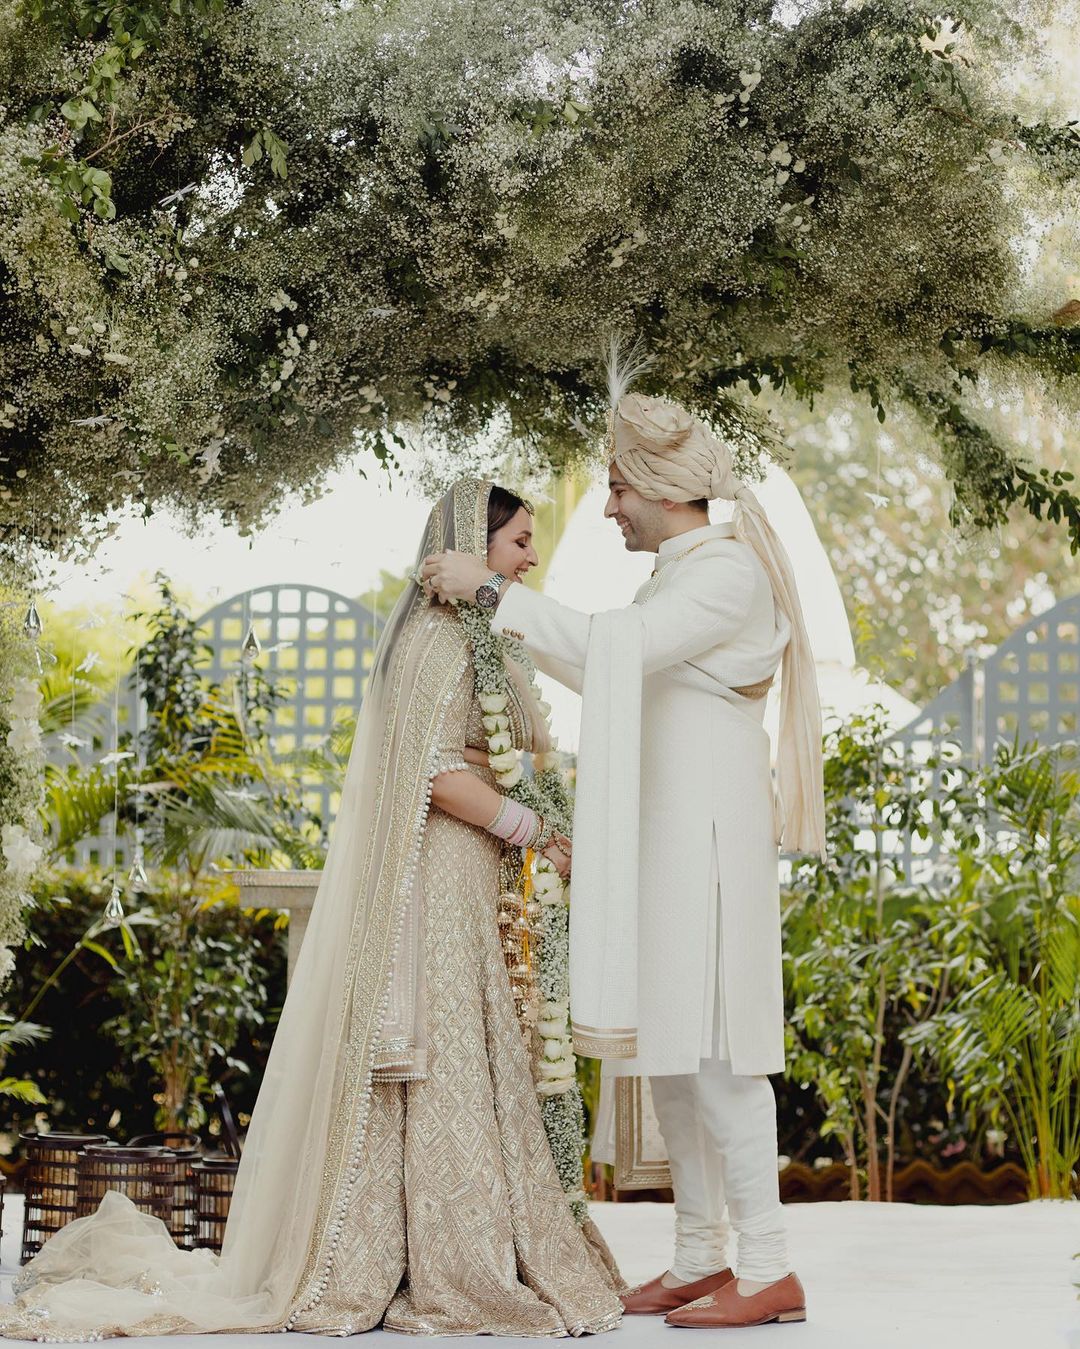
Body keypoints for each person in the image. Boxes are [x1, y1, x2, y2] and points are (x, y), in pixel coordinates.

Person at [0, 478, 623, 1340]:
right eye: (519, 541)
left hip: (478, 880)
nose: (532, 555)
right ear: (473, 549)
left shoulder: (482, 635)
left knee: (477, 1054)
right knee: (445, 1057)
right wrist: (528, 825)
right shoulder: (435, 642)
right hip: (442, 879)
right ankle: (443, 1250)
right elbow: (435, 772)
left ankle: (484, 1238)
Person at [421, 381, 826, 1331]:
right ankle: (697, 1256)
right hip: (675, 848)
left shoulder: (725, 573)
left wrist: (494, 590)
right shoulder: (679, 575)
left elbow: (615, 645)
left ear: (655, 485)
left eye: (614, 488)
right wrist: (506, 609)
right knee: (676, 1057)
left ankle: (768, 1267)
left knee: (722, 1059)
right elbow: (610, 659)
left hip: (711, 853)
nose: (606, 507)